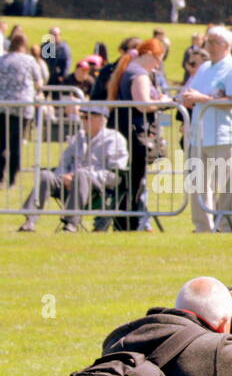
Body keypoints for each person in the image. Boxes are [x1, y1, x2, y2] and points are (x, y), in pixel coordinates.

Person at [179, 26, 232, 233]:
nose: (209, 46)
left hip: (223, 133)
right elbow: (189, 92)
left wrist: (204, 99)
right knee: (199, 186)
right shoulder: (203, 68)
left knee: (229, 185)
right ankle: (203, 227)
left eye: (214, 42)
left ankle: (227, 227)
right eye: (208, 42)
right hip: (199, 135)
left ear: (227, 46)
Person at [17, 104, 128, 232]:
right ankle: (29, 221)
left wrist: (82, 176)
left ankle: (71, 224)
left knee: (81, 174)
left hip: (97, 187)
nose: (83, 121)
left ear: (101, 119)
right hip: (68, 182)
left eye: (87, 117)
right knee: (46, 176)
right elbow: (64, 162)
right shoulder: (78, 138)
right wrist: (63, 176)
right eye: (82, 117)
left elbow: (115, 173)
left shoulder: (114, 139)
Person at [105, 36, 167, 231]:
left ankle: (125, 221)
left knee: (130, 179)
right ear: (148, 54)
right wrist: (165, 102)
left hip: (127, 130)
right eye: (158, 60)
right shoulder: (139, 74)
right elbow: (143, 105)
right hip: (136, 133)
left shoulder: (129, 69)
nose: (158, 65)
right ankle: (128, 222)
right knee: (134, 180)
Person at [0, 32, 43, 188]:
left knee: (1, 143)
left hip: (2, 105)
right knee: (16, 144)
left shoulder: (2, 59)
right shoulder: (29, 60)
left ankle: (0, 178)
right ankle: (12, 179)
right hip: (22, 107)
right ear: (24, 46)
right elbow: (40, 82)